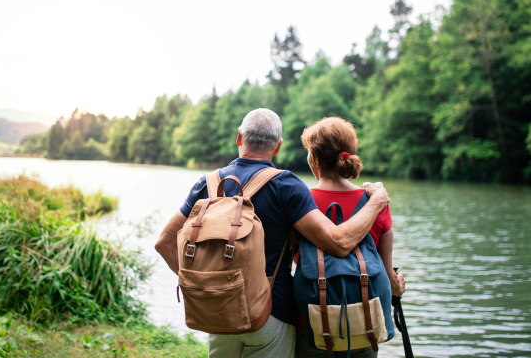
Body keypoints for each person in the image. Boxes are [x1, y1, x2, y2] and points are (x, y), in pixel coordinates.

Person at [155, 108, 391, 358]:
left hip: (217, 311)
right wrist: (376, 202)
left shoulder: (208, 183)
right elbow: (338, 241)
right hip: (271, 311)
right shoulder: (286, 185)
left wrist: (204, 286)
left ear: (239, 138)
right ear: (277, 147)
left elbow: (164, 243)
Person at [295, 117, 406, 358]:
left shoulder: (300, 202)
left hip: (312, 321)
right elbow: (386, 268)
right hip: (364, 319)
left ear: (313, 159)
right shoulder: (377, 201)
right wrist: (397, 288)